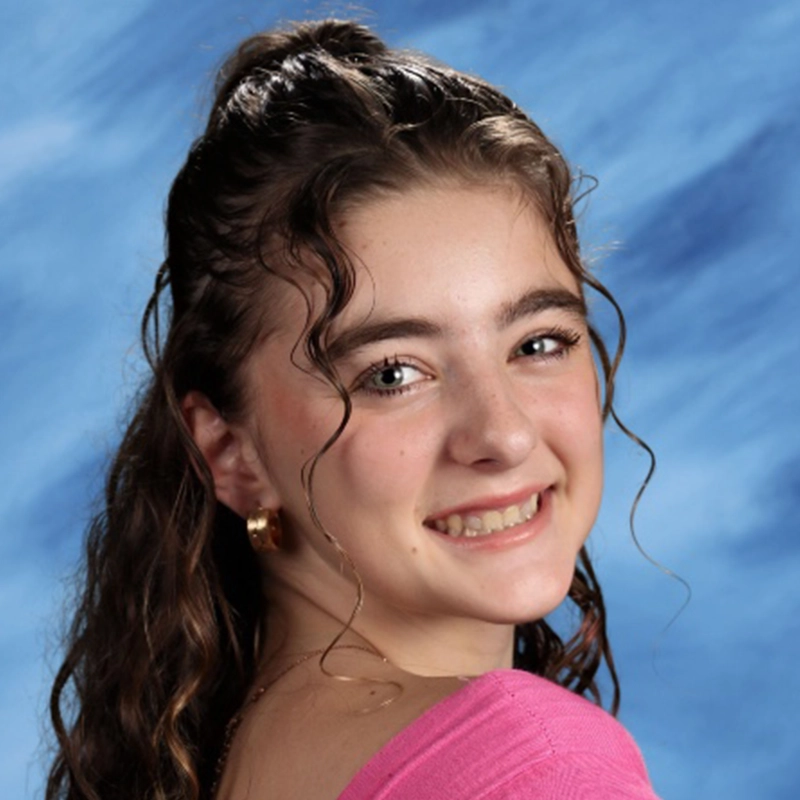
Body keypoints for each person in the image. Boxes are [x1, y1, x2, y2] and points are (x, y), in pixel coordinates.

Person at [46, 19, 661, 800]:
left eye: (538, 342)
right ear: (232, 452)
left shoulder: (226, 750)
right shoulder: (534, 768)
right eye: (394, 373)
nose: (503, 435)